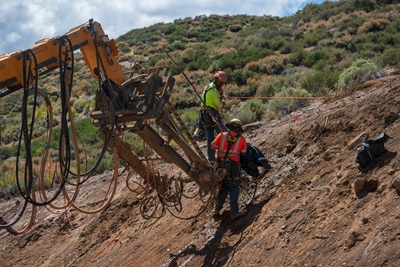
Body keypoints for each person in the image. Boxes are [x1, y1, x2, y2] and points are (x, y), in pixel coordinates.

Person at [211, 118, 247, 220]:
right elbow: (244, 152)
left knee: (224, 188)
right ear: (239, 129)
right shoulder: (241, 139)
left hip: (221, 167)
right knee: (234, 188)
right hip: (233, 168)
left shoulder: (221, 135)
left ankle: (216, 210)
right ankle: (234, 212)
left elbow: (212, 146)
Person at [199, 71, 229, 161]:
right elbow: (219, 105)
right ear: (218, 81)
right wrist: (222, 100)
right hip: (212, 114)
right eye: (221, 83)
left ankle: (211, 158)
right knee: (224, 133)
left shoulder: (208, 87)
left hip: (204, 114)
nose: (221, 85)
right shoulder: (214, 90)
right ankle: (225, 156)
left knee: (210, 137)